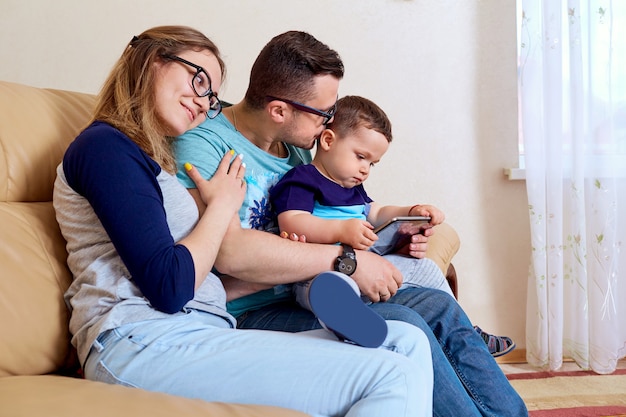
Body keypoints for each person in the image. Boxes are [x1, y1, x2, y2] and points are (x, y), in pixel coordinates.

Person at [52, 25, 435, 417]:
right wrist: (221, 207)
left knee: (406, 341)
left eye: (212, 95)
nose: (204, 103)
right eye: (197, 80)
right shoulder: (103, 147)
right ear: (152, 62)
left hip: (200, 331)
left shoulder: (151, 163)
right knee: (393, 375)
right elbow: (169, 286)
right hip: (140, 341)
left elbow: (197, 269)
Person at [174, 30, 528, 416]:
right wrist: (347, 259)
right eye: (323, 113)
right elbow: (229, 253)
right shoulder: (204, 146)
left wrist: (391, 239)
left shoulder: (295, 148)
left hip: (311, 289)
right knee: (407, 325)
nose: (330, 121)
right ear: (279, 110)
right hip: (254, 310)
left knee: (440, 306)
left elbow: (349, 212)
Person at [270, 94, 516, 357]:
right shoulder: (303, 179)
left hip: (364, 267)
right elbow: (292, 220)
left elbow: (377, 211)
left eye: (372, 163)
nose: (365, 169)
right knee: (331, 287)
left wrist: (410, 212)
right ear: (329, 140)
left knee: (425, 268)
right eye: (360, 156)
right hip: (315, 272)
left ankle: (466, 329)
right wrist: (340, 231)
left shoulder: (352, 187)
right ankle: (347, 322)